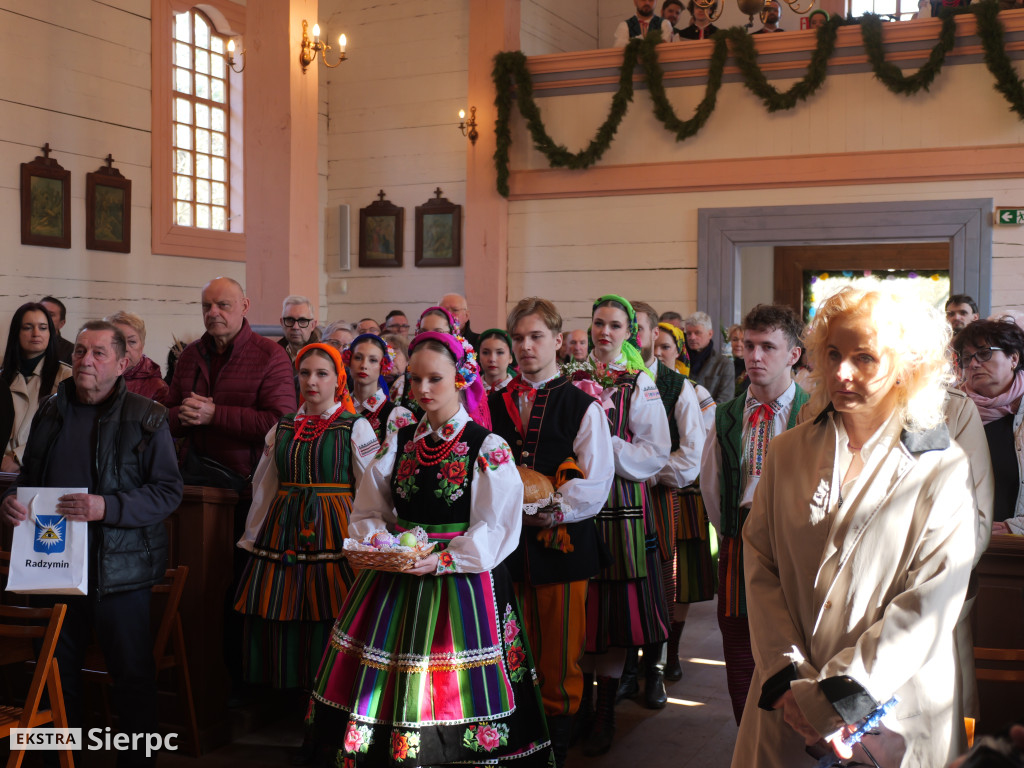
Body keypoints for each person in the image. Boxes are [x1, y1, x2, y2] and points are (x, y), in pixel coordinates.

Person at [735, 284, 977, 768]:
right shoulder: (786, 452)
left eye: (865, 357)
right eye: (832, 353)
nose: (842, 373)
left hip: (889, 703)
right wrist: (789, 682)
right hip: (790, 704)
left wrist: (837, 697)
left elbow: (932, 598)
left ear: (907, 365)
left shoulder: (941, 464)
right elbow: (760, 566)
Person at [308, 330, 553, 768]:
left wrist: (443, 558)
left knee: (447, 684)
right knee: (390, 680)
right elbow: (369, 506)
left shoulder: (487, 446)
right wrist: (380, 543)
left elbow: (497, 527)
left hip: (462, 585)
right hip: (395, 576)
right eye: (414, 379)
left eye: (434, 380)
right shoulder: (399, 438)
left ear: (460, 379)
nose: (422, 390)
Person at [1, 320, 183, 768]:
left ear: (123, 363)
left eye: (99, 353)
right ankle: (59, 761)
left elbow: (167, 492)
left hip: (120, 573)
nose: (85, 360)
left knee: (132, 679)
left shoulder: (147, 416)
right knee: (54, 678)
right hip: (53, 566)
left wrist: (107, 507)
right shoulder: (50, 410)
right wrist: (8, 501)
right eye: (80, 351)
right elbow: (27, 480)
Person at [488, 298, 615, 767]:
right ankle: (514, 738)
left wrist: (555, 511)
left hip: (562, 546)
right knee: (507, 647)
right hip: (504, 548)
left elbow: (597, 480)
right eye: (517, 338)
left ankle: (556, 745)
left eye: (536, 336)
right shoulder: (490, 403)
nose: (525, 347)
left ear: (558, 342)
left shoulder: (582, 405)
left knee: (559, 655)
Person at [234, 343, 378, 702]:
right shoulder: (282, 427)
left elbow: (372, 489)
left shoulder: (354, 426)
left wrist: (368, 541)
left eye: (321, 374)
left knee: (330, 606)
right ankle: (286, 695)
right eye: (305, 373)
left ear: (337, 380)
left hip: (334, 526)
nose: (311, 381)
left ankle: (330, 695)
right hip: (283, 528)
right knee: (282, 602)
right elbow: (264, 485)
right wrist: (253, 535)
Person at [571, 294, 670, 756]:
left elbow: (655, 454)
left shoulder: (640, 384)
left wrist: (606, 445)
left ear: (630, 332)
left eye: (614, 325)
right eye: (598, 323)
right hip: (574, 500)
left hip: (620, 502)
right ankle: (580, 704)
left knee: (610, 608)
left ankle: (605, 709)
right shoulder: (570, 378)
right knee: (580, 602)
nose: (604, 332)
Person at [700, 304, 808, 724]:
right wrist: (732, 533)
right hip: (739, 541)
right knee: (739, 644)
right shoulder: (726, 415)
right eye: (749, 346)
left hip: (796, 545)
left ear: (793, 355)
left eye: (768, 347)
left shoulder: (811, 412)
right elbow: (711, 486)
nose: (755, 356)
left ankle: (794, 737)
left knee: (792, 643)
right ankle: (746, 737)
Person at [617, 303, 704, 710]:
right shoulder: (606, 379)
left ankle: (655, 669)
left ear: (653, 335)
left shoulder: (676, 387)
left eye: (639, 330)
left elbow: (690, 457)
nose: (632, 337)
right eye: (626, 328)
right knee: (618, 578)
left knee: (659, 580)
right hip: (612, 496)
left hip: (655, 494)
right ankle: (624, 670)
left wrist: (647, 470)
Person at [165, 277, 297, 486]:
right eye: (206, 306)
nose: (213, 312)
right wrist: (182, 415)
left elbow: (281, 424)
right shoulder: (190, 355)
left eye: (223, 305)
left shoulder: (271, 355)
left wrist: (215, 415)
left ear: (245, 306)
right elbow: (167, 415)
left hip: (247, 484)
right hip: (193, 477)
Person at [954, 318, 1024, 534]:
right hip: (958, 541)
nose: (974, 364)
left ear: (1013, 358)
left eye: (984, 353)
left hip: (1014, 548)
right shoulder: (950, 410)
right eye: (967, 358)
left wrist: (1015, 528)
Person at [1, 302, 73, 474]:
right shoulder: (3, 377)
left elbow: (65, 429)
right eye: (27, 327)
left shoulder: (66, 377)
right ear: (16, 333)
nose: (36, 334)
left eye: (42, 327)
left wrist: (18, 457)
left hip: (40, 471)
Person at [344, 333, 414, 442]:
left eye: (373, 360)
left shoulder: (398, 416)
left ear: (383, 365)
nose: (364, 365)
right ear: (349, 361)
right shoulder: (337, 409)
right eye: (358, 358)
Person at [105, 311, 169, 402]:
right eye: (117, 341)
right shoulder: (93, 377)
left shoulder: (158, 388)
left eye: (132, 342)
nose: (125, 348)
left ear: (142, 347)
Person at [685, 311, 734, 404]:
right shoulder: (680, 361)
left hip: (711, 417)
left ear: (710, 334)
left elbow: (725, 401)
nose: (692, 337)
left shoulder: (724, 364)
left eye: (697, 332)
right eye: (688, 333)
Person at [278, 295, 320, 362]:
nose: (295, 327)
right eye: (290, 320)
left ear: (313, 325)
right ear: (282, 323)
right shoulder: (273, 354)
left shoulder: (323, 357)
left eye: (302, 321)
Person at [478, 328, 516, 393]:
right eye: (485, 352)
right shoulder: (469, 390)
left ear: (510, 357)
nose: (492, 359)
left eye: (500, 352)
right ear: (479, 356)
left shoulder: (520, 390)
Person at [40, 295, 75, 364]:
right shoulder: (23, 344)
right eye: (41, 312)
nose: (43, 317)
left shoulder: (71, 351)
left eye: (50, 314)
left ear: (61, 323)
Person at [727, 323, 749, 396]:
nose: (738, 344)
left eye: (743, 341)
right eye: (735, 340)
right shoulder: (728, 367)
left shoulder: (753, 367)